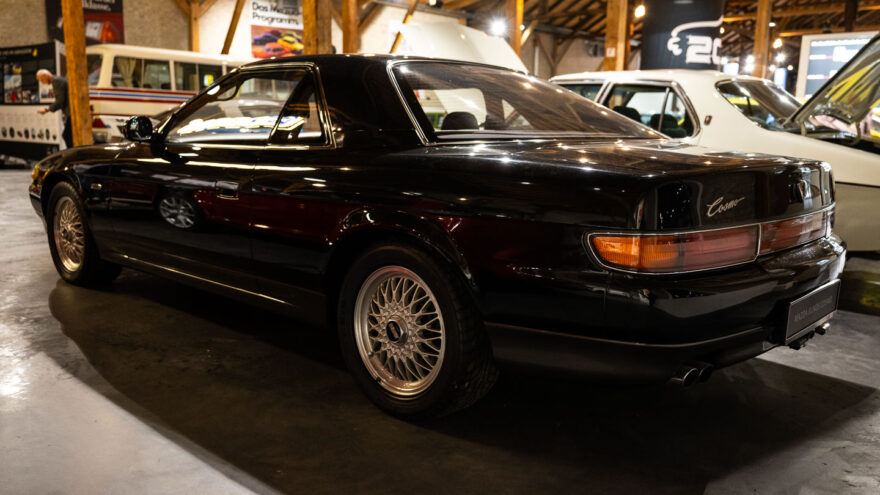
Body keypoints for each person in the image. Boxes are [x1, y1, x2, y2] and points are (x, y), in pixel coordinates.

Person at [36, 69, 72, 148]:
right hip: (70, 112)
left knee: (67, 136)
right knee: (68, 135)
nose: (42, 82)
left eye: (42, 80)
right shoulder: (57, 79)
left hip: (71, 113)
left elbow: (59, 101)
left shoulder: (56, 81)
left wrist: (46, 110)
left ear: (45, 76)